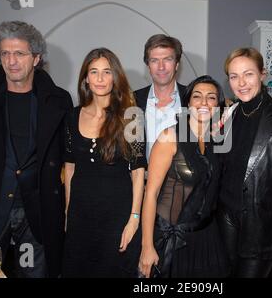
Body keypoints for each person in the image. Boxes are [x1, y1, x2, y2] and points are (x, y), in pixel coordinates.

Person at [0, 21, 73, 277]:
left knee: (34, 273)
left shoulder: (59, 100)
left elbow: (62, 152)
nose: (11, 61)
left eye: (19, 53)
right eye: (5, 53)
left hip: (36, 209)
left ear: (37, 58)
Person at [217, 48, 272, 278]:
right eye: (234, 76)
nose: (241, 83)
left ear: (262, 74)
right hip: (226, 221)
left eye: (249, 74)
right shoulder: (230, 115)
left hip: (262, 227)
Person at [62, 48, 146, 277]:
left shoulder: (131, 116)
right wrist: (68, 213)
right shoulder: (71, 116)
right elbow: (70, 168)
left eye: (106, 72)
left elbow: (138, 170)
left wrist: (134, 219)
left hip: (117, 216)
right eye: (94, 72)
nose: (100, 78)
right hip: (81, 216)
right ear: (85, 78)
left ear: (115, 76)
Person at [138, 75, 229, 278]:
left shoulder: (217, 141)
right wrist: (147, 246)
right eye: (197, 96)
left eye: (211, 97)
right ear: (188, 102)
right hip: (168, 239)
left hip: (206, 237)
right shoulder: (169, 137)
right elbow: (150, 195)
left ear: (218, 104)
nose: (204, 102)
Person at [133, 34, 187, 162]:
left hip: (183, 181)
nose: (161, 67)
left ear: (177, 64)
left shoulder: (192, 99)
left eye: (167, 59)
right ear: (148, 66)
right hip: (142, 179)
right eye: (154, 60)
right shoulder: (131, 101)